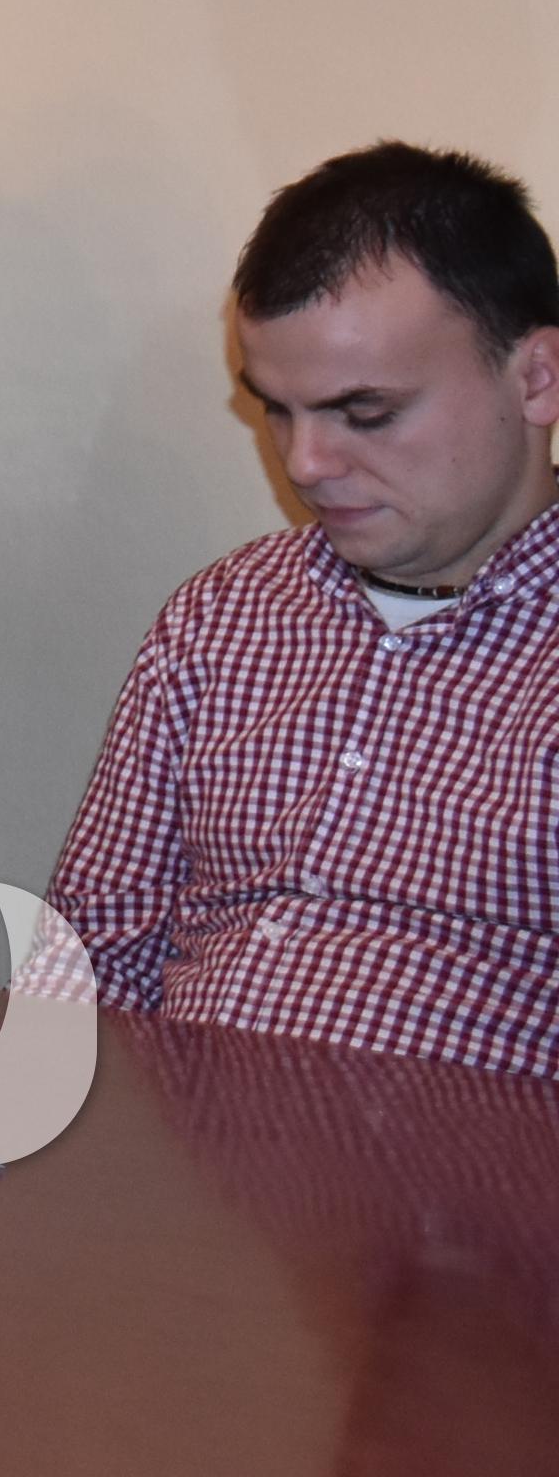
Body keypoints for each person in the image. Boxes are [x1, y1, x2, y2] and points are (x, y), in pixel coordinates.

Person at [46, 143, 559, 1074]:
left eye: (366, 413)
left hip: (464, 1156)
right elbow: (90, 959)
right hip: (176, 1140)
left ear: (536, 378)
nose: (305, 463)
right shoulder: (223, 615)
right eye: (277, 410)